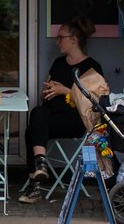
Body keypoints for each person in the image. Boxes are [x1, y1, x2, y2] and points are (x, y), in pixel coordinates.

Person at [17, 16, 105, 203]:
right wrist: (48, 91)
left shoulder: (92, 67)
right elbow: (45, 94)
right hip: (51, 115)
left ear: (74, 39)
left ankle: (35, 186)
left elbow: (95, 102)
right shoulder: (58, 63)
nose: (57, 41)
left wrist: (65, 90)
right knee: (37, 114)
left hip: (74, 120)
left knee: (33, 128)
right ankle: (40, 164)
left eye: (61, 37)